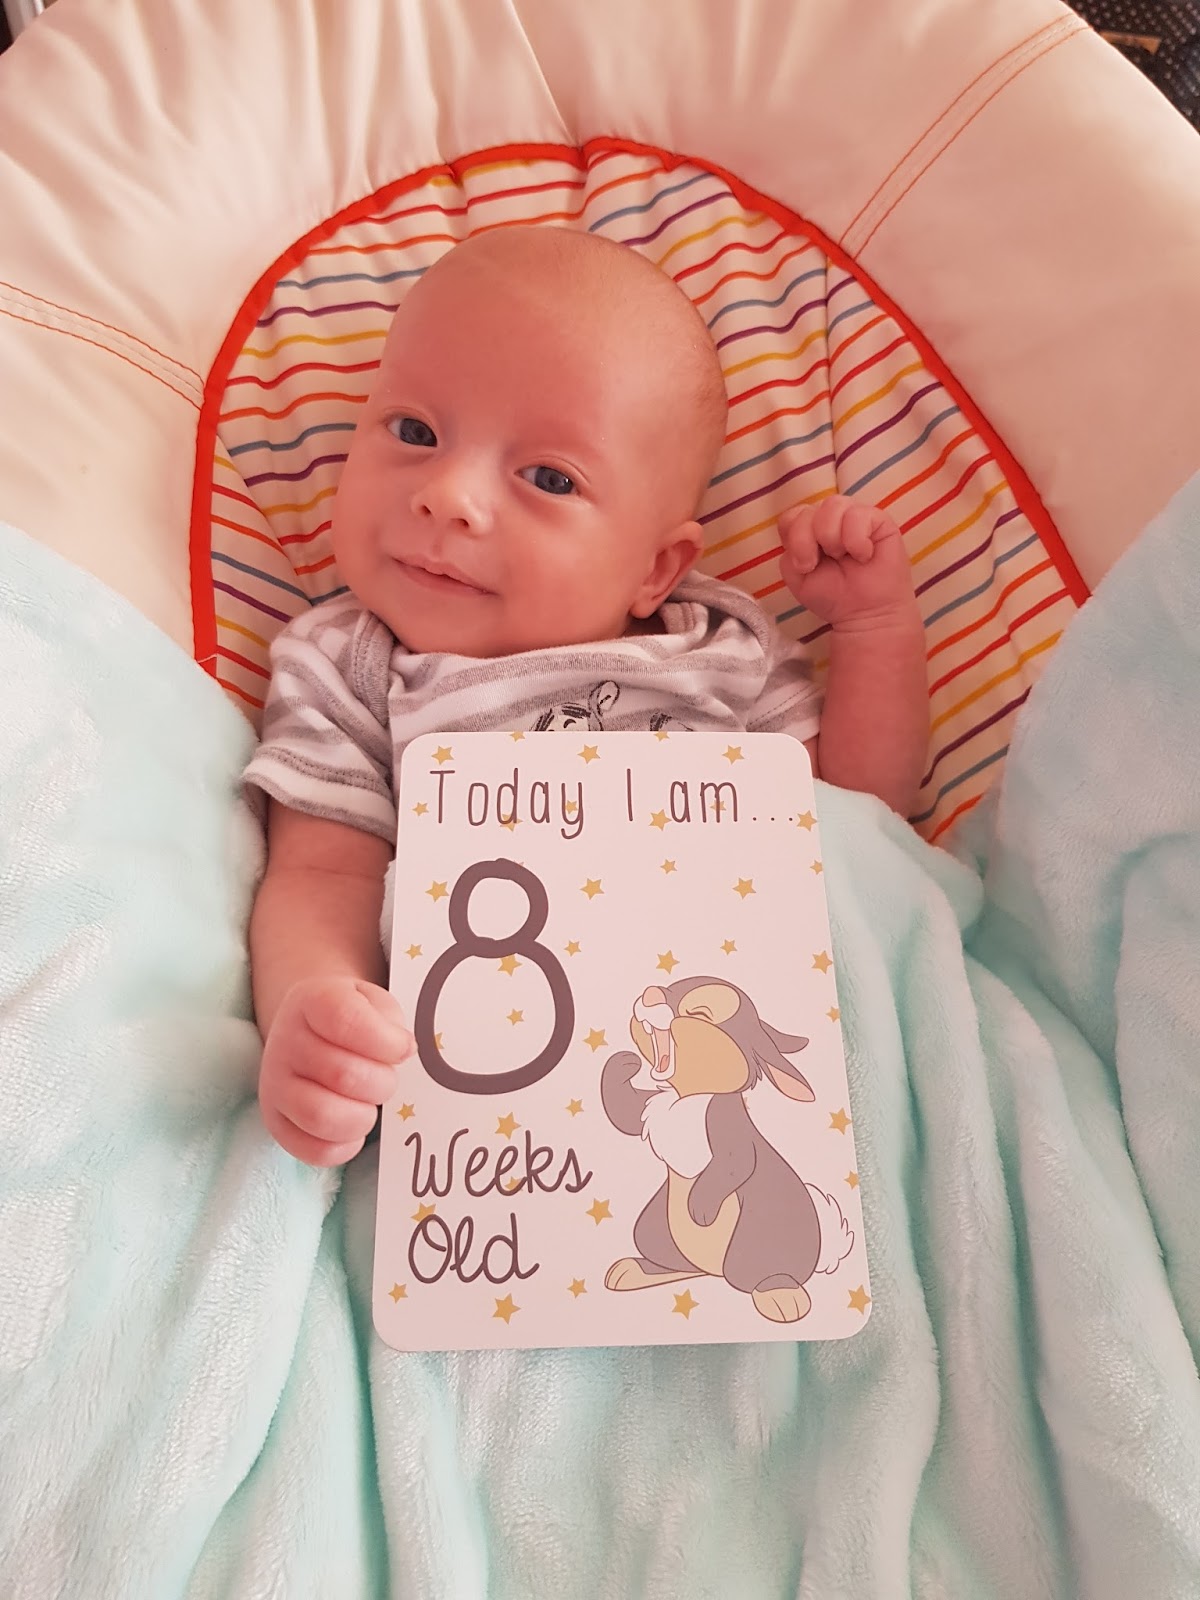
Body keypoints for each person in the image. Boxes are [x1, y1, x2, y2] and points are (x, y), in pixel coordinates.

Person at [244, 225, 928, 1167]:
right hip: (506, 1109)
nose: (448, 495)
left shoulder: (715, 651)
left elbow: (862, 815)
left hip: (754, 1057)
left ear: (656, 569)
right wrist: (315, 1013)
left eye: (549, 478)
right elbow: (322, 877)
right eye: (414, 432)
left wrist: (876, 633)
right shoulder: (346, 666)